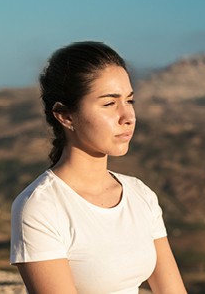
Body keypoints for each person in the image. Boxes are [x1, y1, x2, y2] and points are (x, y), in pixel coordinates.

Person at [10, 41, 187, 294]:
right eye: (109, 104)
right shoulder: (41, 207)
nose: (128, 117)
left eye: (130, 100)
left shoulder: (140, 195)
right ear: (65, 115)